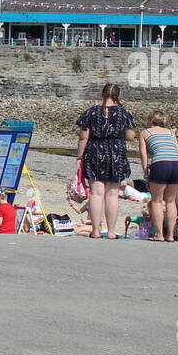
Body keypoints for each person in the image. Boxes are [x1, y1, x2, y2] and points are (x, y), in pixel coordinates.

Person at [75, 83, 136, 239]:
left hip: (95, 150)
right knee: (112, 194)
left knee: (96, 193)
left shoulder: (91, 112)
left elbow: (83, 137)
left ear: (102, 94)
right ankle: (110, 232)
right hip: (116, 151)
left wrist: (79, 157)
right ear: (118, 95)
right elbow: (130, 136)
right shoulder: (124, 113)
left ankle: (95, 231)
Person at [137, 112, 178, 241]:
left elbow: (144, 154)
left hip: (160, 163)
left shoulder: (145, 132)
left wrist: (146, 171)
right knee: (171, 201)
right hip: (177, 163)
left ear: (151, 120)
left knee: (157, 200)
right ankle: (170, 235)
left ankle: (160, 234)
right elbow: (176, 150)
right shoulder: (171, 132)